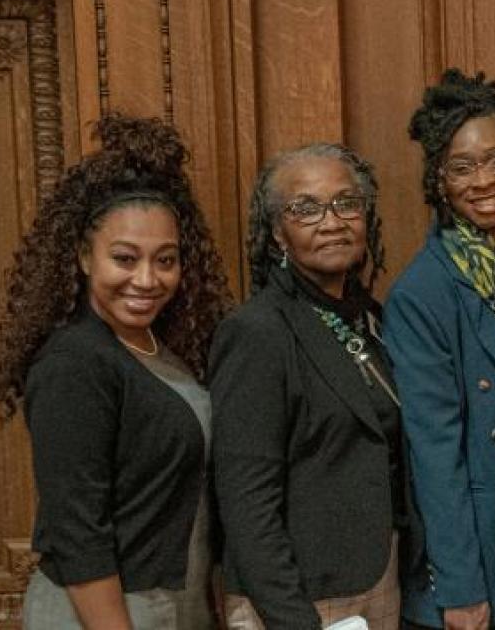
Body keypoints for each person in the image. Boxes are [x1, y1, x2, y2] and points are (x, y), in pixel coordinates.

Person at [0, 116, 232, 629]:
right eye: (124, 258)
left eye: (165, 260)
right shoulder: (74, 363)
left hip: (170, 603)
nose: (147, 279)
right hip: (106, 613)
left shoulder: (161, 348)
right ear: (83, 256)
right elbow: (79, 536)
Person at [213, 143, 414, 628]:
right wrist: (292, 618)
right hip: (295, 597)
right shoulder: (258, 332)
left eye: (347, 203)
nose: (332, 221)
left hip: (376, 579)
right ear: (277, 233)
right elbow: (246, 504)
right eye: (305, 209)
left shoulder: (368, 317)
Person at [387, 68, 495, 630]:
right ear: (439, 180)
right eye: (462, 167)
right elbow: (434, 454)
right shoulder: (423, 291)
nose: (484, 181)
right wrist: (458, 588)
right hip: (487, 555)